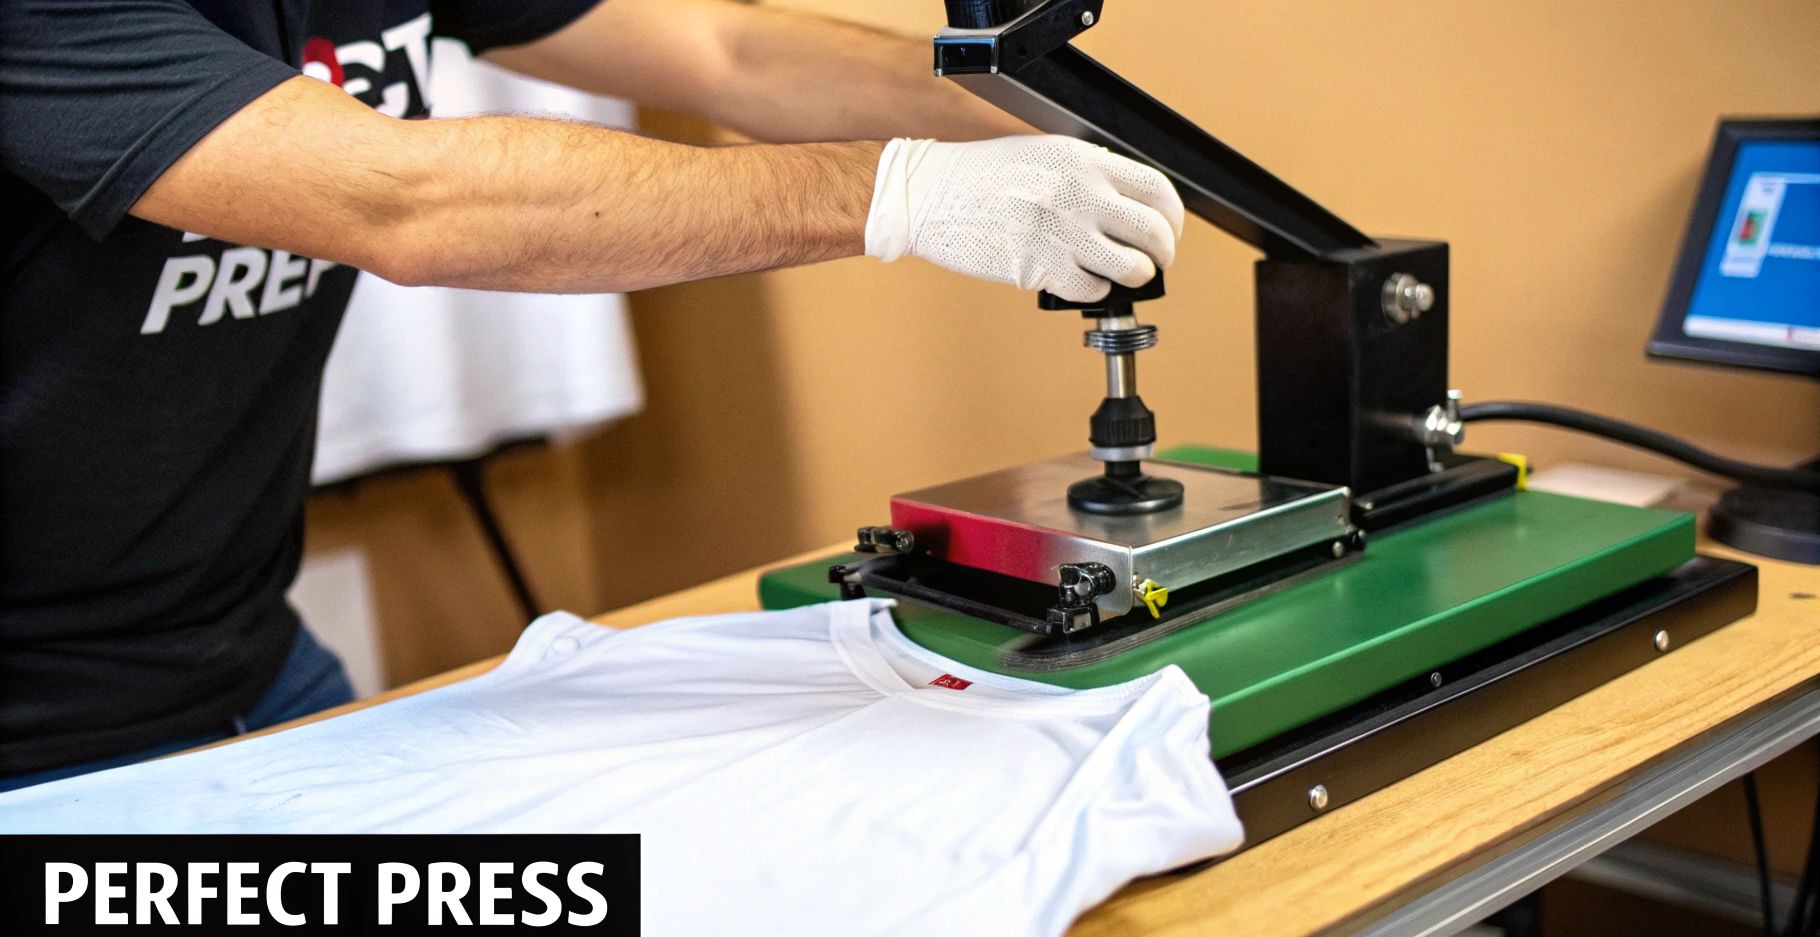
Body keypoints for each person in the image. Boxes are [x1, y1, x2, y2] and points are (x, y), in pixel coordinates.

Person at [0, 0, 1186, 790]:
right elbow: (404, 202)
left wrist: (1078, 118)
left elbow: (728, 51)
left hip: (243, 653)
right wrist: (903, 194)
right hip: (32, 731)